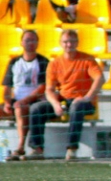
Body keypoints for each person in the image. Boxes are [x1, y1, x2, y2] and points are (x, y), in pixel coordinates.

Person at [23, 29, 104, 161]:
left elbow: (100, 78)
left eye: (72, 42)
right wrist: (55, 105)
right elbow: (49, 89)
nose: (69, 45)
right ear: (61, 43)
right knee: (36, 109)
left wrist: (87, 97)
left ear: (77, 43)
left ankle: (71, 149)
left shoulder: (87, 59)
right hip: (63, 100)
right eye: (66, 42)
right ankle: (37, 149)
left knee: (76, 107)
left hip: (83, 102)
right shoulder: (54, 63)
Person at [2, 30, 49, 161]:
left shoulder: (42, 61)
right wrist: (6, 103)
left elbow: (42, 88)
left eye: (33, 40)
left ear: (38, 43)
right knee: (9, 108)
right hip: (16, 100)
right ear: (21, 42)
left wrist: (24, 101)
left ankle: (20, 146)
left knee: (21, 109)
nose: (30, 43)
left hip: (34, 101)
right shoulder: (14, 62)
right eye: (27, 40)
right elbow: (7, 87)